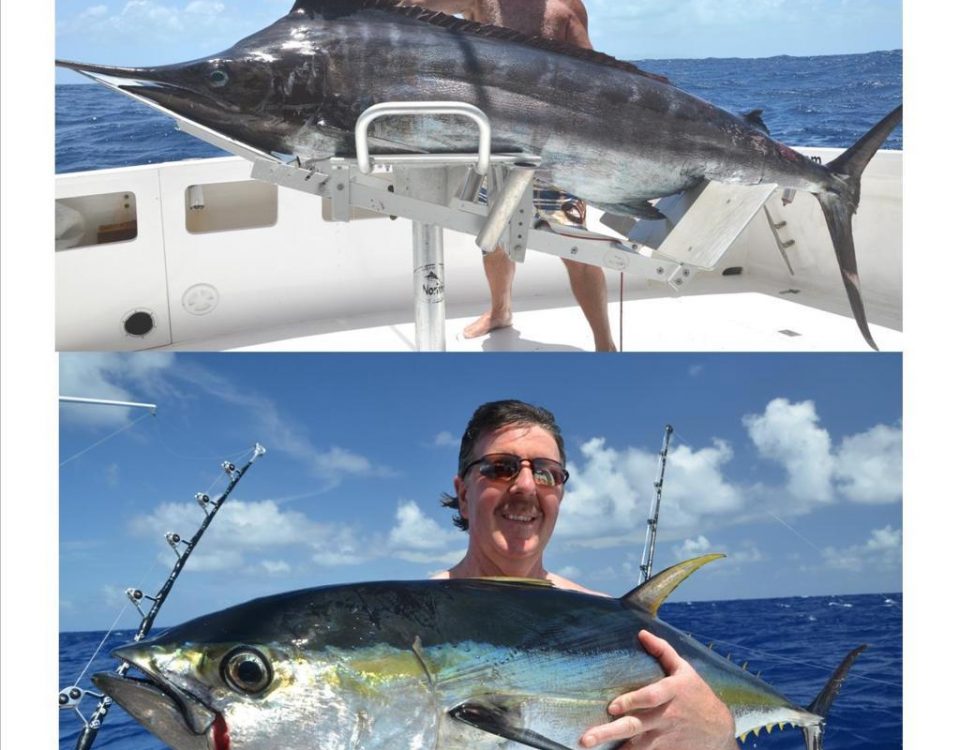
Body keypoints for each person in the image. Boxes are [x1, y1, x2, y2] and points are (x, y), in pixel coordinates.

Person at [434, 400, 738, 750]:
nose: (527, 486)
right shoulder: (409, 621)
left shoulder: (612, 616)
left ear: (560, 492)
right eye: (502, 467)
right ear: (462, 494)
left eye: (546, 472)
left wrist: (719, 733)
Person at [402, 0, 617, 352]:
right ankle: (500, 311)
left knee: (576, 248)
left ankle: (604, 343)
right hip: (495, 146)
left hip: (554, 153)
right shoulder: (478, 2)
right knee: (494, 238)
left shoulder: (565, 7)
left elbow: (591, 72)